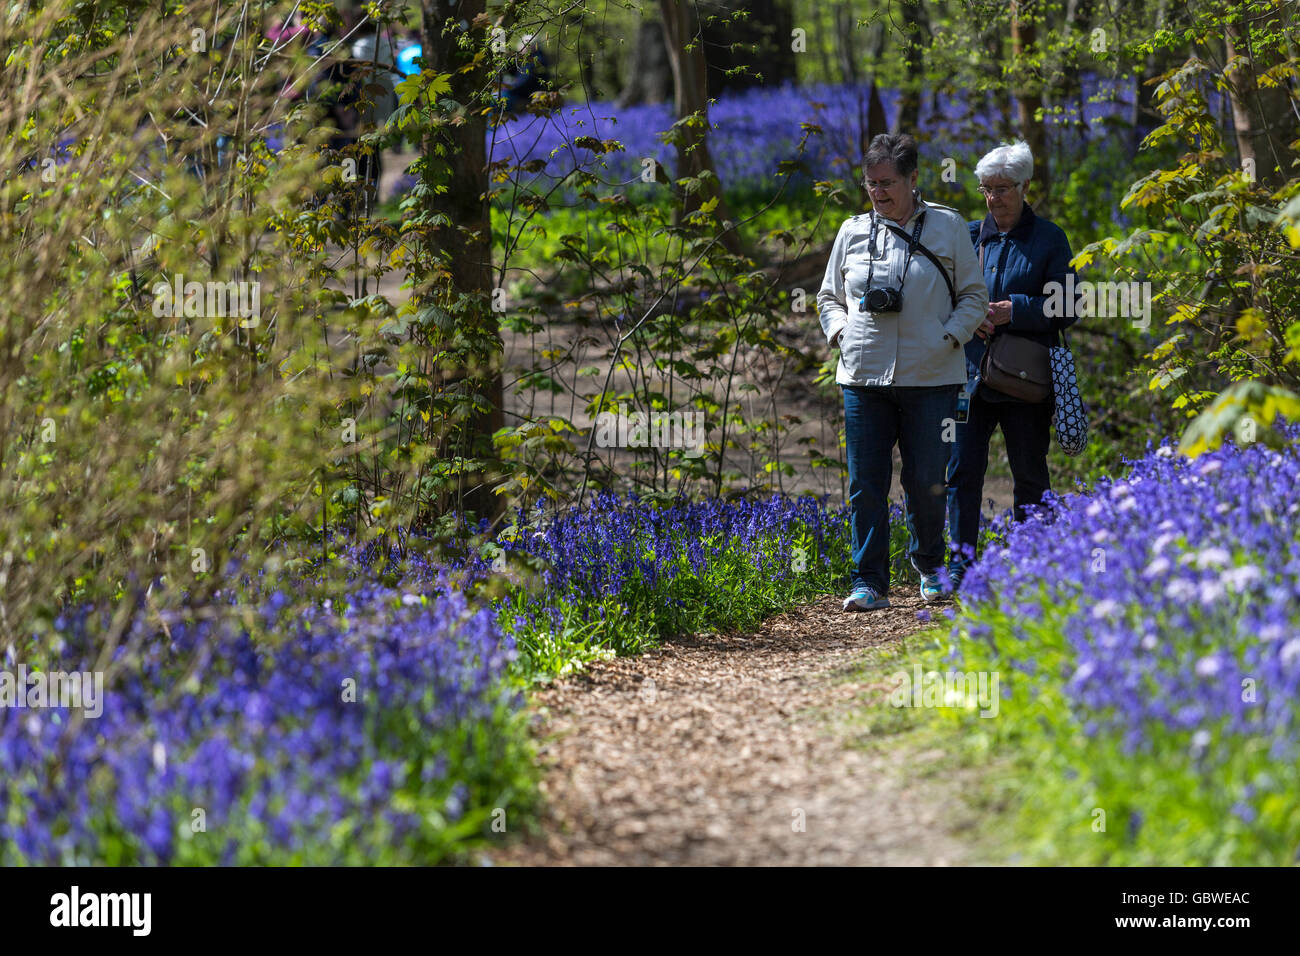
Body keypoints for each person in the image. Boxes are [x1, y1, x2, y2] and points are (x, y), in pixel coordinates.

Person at [817, 133, 988, 611]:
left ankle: (932, 567)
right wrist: (840, 334)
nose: (878, 192)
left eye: (888, 183)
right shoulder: (851, 231)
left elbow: (974, 295)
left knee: (927, 478)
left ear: (914, 180)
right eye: (871, 183)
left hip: (932, 378)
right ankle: (868, 581)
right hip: (863, 377)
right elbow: (828, 297)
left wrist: (950, 337)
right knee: (865, 482)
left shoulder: (949, 227)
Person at [945, 141, 1080, 588]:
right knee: (962, 471)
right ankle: (962, 565)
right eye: (986, 189)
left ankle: (1033, 562)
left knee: (1029, 471)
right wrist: (969, 316)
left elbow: (1068, 306)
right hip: (967, 375)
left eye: (1002, 188)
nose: (993, 198)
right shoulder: (965, 236)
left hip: (1026, 382)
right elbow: (940, 297)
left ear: (1024, 187)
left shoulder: (1050, 238)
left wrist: (1013, 310)